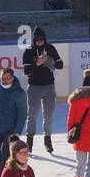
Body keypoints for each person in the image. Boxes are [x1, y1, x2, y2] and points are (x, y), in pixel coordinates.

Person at [22, 26, 63, 154]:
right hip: (34, 87)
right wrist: (37, 64)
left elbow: (60, 65)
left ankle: (47, 140)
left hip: (49, 86)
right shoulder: (29, 51)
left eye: (42, 39)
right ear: (34, 40)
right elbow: (27, 71)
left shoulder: (50, 48)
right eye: (37, 40)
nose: (40, 42)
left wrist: (50, 60)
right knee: (32, 115)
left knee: (48, 114)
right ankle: (29, 141)